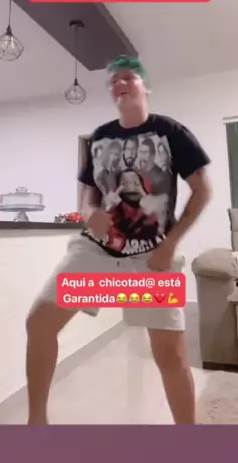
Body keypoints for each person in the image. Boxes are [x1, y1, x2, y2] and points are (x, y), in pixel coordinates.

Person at [25, 55, 212, 425]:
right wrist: (88, 213)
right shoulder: (100, 137)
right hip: (97, 251)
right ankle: (36, 424)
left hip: (151, 257)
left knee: (170, 355)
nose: (120, 84)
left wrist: (170, 246)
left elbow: (202, 190)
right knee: (39, 323)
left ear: (145, 86)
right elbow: (87, 195)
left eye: (128, 77)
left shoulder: (171, 132)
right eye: (113, 81)